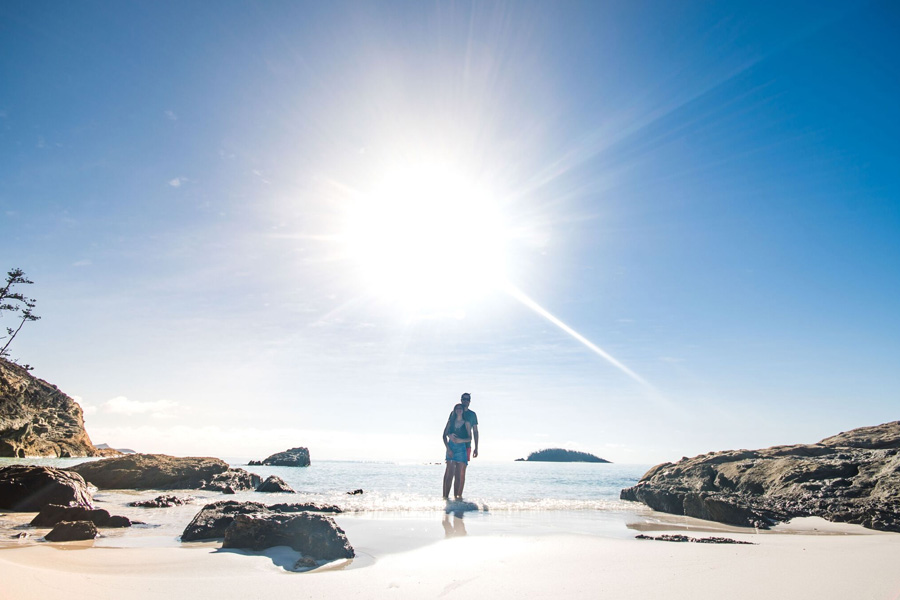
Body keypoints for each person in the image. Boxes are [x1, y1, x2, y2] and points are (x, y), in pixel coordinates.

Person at [442, 403, 472, 500]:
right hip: (451, 447)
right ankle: (445, 498)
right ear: (454, 410)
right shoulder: (451, 422)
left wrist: (461, 440)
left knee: (458, 475)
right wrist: (448, 448)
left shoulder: (466, 423)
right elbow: (443, 435)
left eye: (460, 408)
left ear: (463, 411)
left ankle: (456, 499)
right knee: (449, 474)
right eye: (457, 408)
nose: (459, 410)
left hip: (461, 449)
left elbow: (469, 438)